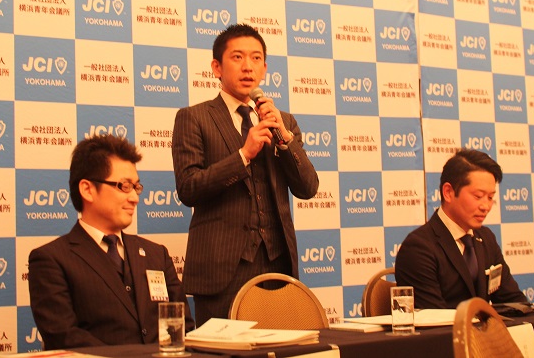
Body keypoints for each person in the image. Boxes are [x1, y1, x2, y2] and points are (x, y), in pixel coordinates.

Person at [172, 23, 319, 325]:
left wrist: (285, 140)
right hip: (221, 269)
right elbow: (188, 188)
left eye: (256, 58)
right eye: (237, 57)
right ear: (217, 67)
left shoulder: (283, 121)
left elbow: (308, 188)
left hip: (277, 264)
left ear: (265, 68)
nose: (247, 66)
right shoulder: (194, 117)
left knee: (282, 345)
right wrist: (243, 155)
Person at [28, 134, 194, 349]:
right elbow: (64, 338)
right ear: (87, 189)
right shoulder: (52, 260)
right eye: (124, 186)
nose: (134, 198)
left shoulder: (156, 254)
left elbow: (183, 327)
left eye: (136, 187)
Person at [395, 148, 528, 309]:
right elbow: (434, 317)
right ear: (448, 192)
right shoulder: (418, 248)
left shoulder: (486, 238)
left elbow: (514, 301)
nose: (486, 206)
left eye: (490, 197)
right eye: (478, 196)